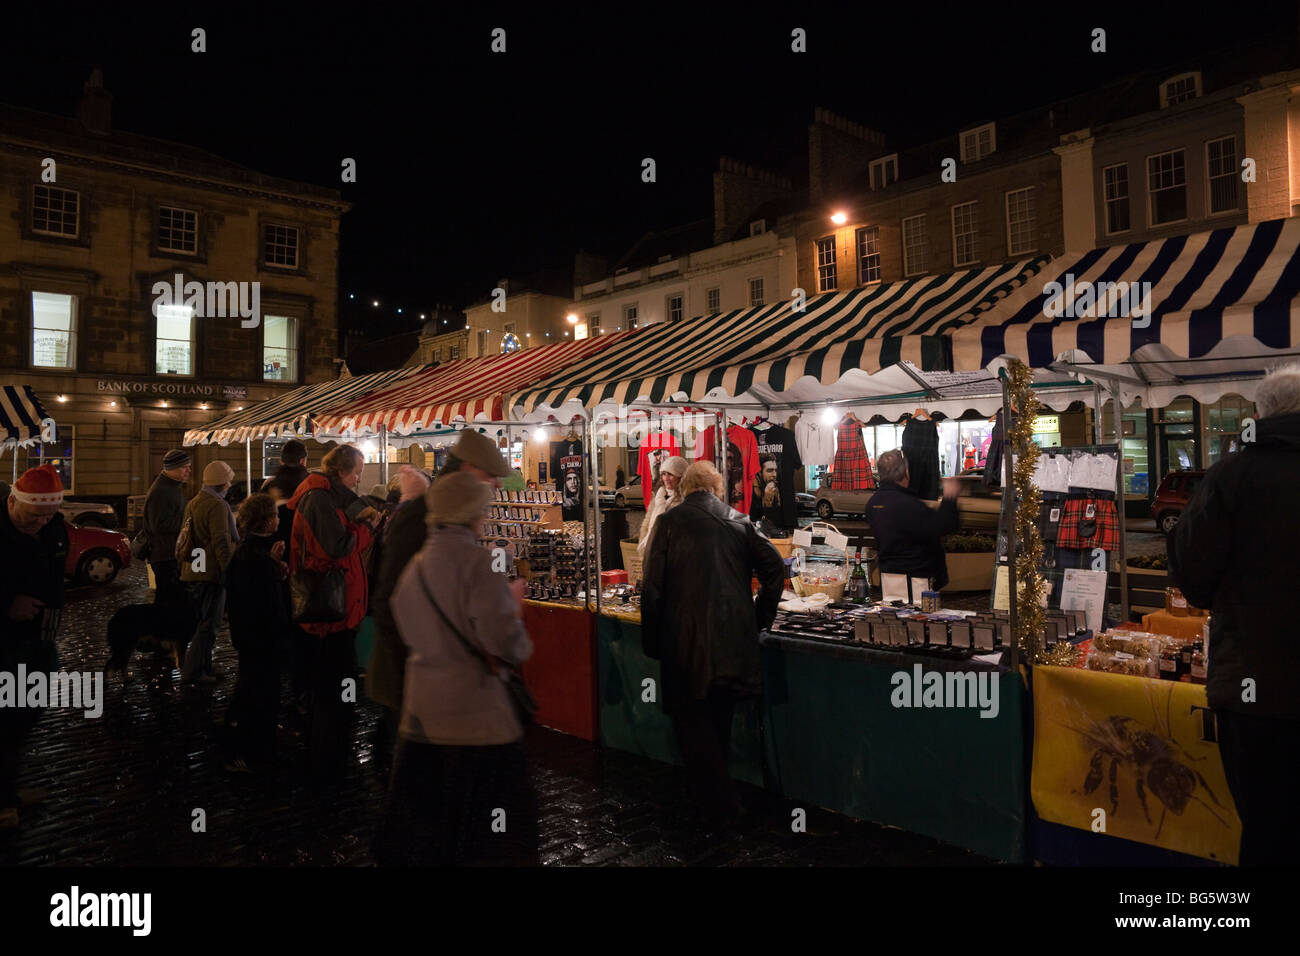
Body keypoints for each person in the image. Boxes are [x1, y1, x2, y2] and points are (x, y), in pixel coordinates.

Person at [1170, 364, 1300, 867]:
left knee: (1267, 829)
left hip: (1254, 692)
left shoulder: (1230, 477)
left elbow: (1193, 578)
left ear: (1259, 413)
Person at [375, 471, 537, 865]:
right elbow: (508, 642)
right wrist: (512, 606)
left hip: (424, 713)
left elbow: (400, 616)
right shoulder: (476, 563)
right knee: (491, 826)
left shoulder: (417, 564)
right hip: (475, 713)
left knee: (434, 823)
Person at [641, 461, 784, 828]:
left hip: (684, 642)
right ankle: (712, 804)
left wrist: (652, 642)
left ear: (686, 488)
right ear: (717, 489)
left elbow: (652, 588)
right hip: (733, 641)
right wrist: (758, 618)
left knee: (693, 725)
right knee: (717, 721)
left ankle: (720, 806)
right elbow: (775, 570)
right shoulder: (739, 521)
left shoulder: (669, 523)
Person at [370, 434, 508, 751]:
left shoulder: (453, 512)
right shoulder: (423, 513)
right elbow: (389, 601)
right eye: (491, 476)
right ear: (470, 470)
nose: (498, 485)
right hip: (416, 677)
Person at [286, 444, 380, 780]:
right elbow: (338, 547)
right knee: (335, 684)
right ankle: (328, 758)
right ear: (341, 470)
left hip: (340, 610)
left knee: (339, 682)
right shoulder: (319, 498)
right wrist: (367, 530)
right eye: (356, 471)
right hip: (329, 611)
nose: (359, 479)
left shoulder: (330, 494)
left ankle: (332, 747)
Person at [0, 466, 69, 829]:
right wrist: (7, 604)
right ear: (12, 501)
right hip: (5, 643)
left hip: (38, 639)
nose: (41, 523)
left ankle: (8, 786)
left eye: (48, 515)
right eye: (33, 515)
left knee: (26, 714)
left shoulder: (53, 527)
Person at [224, 494, 289, 774]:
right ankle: (249, 751)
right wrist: (272, 567)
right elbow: (253, 598)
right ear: (263, 520)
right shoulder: (250, 553)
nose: (278, 519)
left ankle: (254, 742)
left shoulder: (258, 549)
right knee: (258, 691)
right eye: (274, 514)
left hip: (260, 635)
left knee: (258, 689)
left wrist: (276, 569)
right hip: (258, 636)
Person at [179, 460, 239, 684]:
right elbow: (221, 541)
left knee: (203, 621)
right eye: (228, 480)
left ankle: (204, 666)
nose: (230, 484)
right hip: (211, 572)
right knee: (209, 625)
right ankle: (194, 671)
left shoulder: (195, 501)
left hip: (195, 569)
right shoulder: (217, 505)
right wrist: (229, 572)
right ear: (221, 483)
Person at [865, 449, 961, 590]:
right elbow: (942, 525)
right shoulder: (907, 503)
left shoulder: (873, 503)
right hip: (916, 579)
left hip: (889, 576)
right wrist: (950, 498)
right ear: (905, 473)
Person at [143, 449, 192, 601]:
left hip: (169, 553)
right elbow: (159, 525)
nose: (189, 470)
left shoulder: (171, 487)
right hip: (165, 556)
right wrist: (188, 522)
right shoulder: (161, 491)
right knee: (168, 600)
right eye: (185, 467)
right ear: (173, 468)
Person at [637, 454, 687, 557]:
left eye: (670, 474)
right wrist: (645, 549)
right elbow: (646, 525)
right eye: (664, 474)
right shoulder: (658, 497)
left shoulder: (684, 501)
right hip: (652, 552)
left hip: (673, 556)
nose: (666, 478)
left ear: (680, 477)